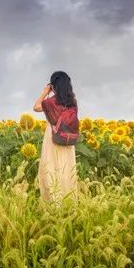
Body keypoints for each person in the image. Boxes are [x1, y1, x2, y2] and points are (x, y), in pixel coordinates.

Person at [32, 71, 79, 203]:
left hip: (53, 139)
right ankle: (69, 202)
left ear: (53, 86)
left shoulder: (50, 102)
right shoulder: (72, 103)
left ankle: (54, 203)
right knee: (67, 171)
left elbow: (35, 107)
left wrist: (45, 92)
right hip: (68, 140)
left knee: (51, 169)